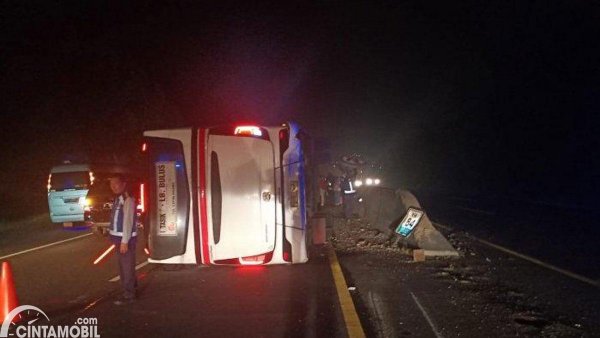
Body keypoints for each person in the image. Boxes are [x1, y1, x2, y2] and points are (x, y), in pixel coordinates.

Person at [108, 174, 138, 305]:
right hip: (118, 239)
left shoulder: (127, 199)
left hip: (124, 240)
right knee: (124, 266)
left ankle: (129, 294)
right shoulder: (118, 198)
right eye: (111, 184)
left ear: (123, 184)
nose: (113, 187)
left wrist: (124, 241)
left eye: (116, 184)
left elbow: (128, 222)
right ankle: (131, 288)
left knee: (126, 267)